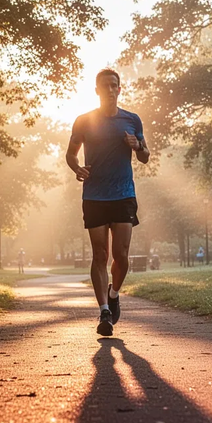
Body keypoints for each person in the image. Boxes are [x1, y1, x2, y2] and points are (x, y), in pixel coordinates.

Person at [66, 68, 150, 336]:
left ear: (120, 89)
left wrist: (137, 145)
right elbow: (70, 155)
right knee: (100, 254)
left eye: (114, 85)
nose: (110, 89)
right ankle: (104, 311)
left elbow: (145, 156)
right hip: (94, 195)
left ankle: (113, 295)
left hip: (124, 194)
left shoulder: (132, 120)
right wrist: (77, 168)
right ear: (97, 90)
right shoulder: (83, 121)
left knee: (121, 256)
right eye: (105, 86)